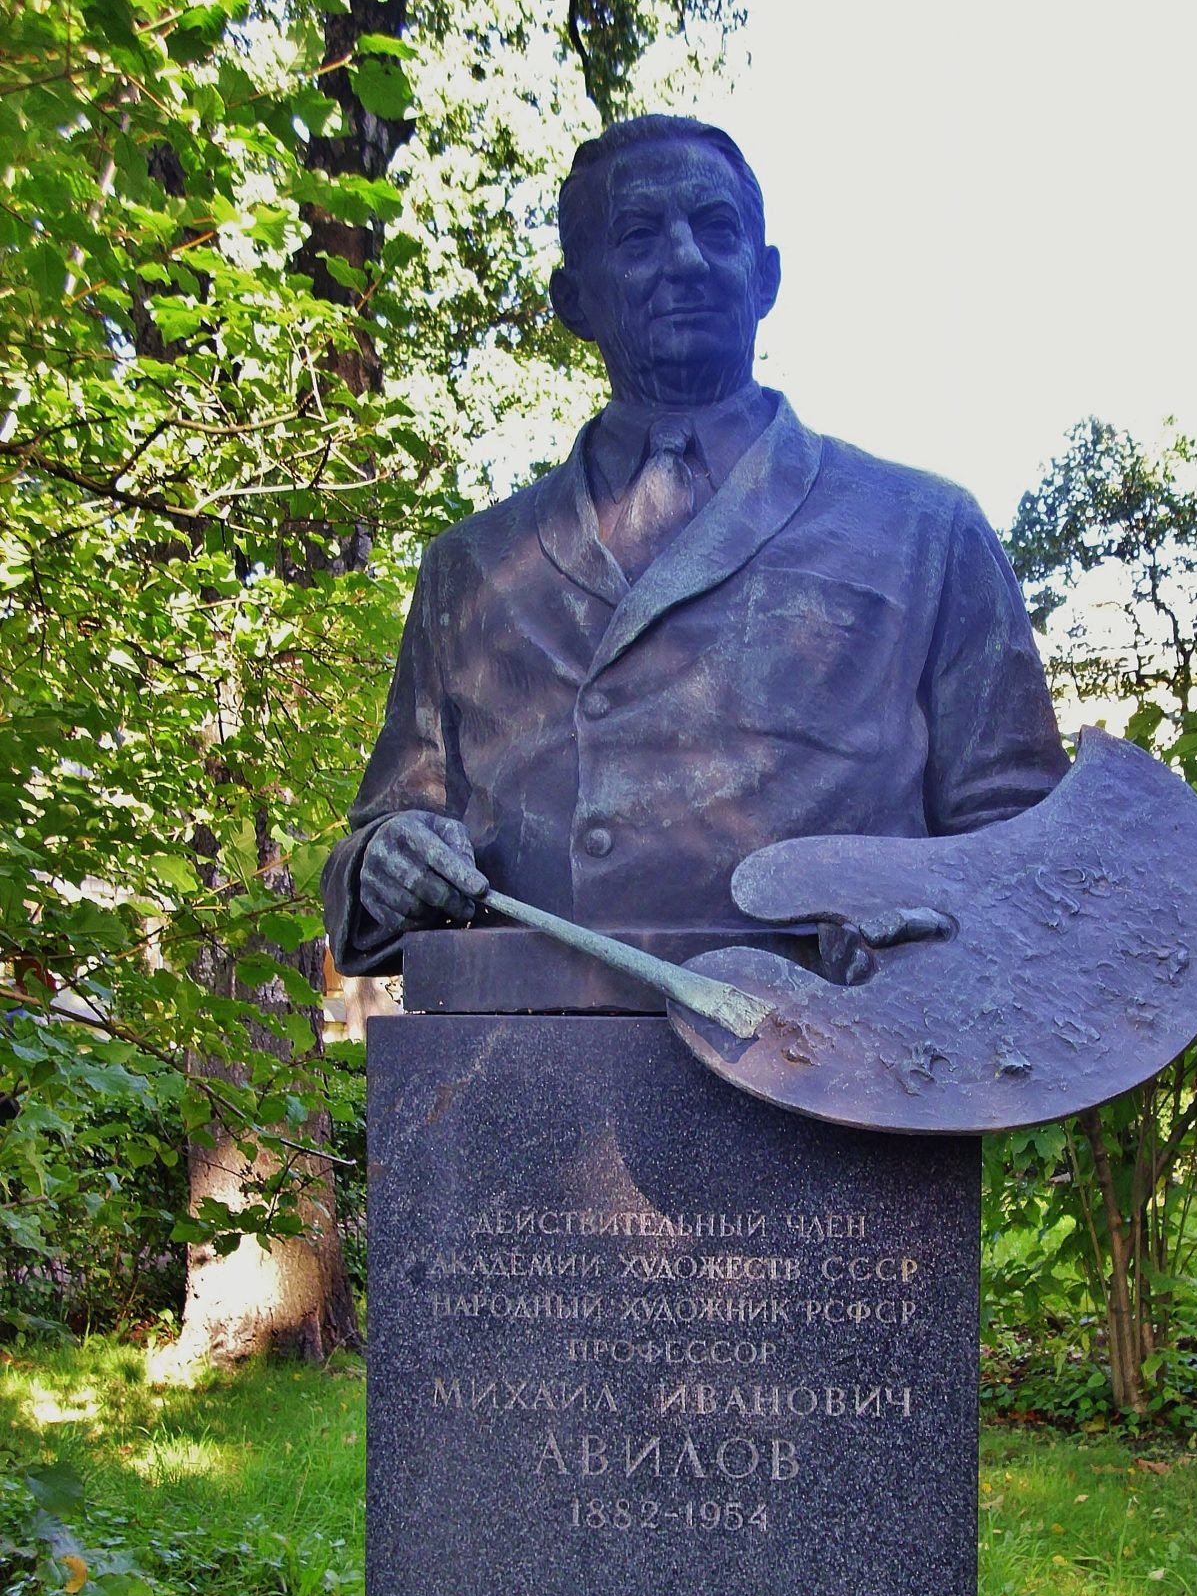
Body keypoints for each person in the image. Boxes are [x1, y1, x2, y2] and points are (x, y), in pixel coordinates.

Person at [323, 115, 1068, 976]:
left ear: (767, 276)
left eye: (716, 229)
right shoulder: (472, 567)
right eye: (638, 236)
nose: (685, 258)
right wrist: (384, 862)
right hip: (531, 1031)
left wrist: (925, 932)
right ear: (573, 300)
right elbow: (389, 826)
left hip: (834, 1037)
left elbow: (1024, 841)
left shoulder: (925, 530)